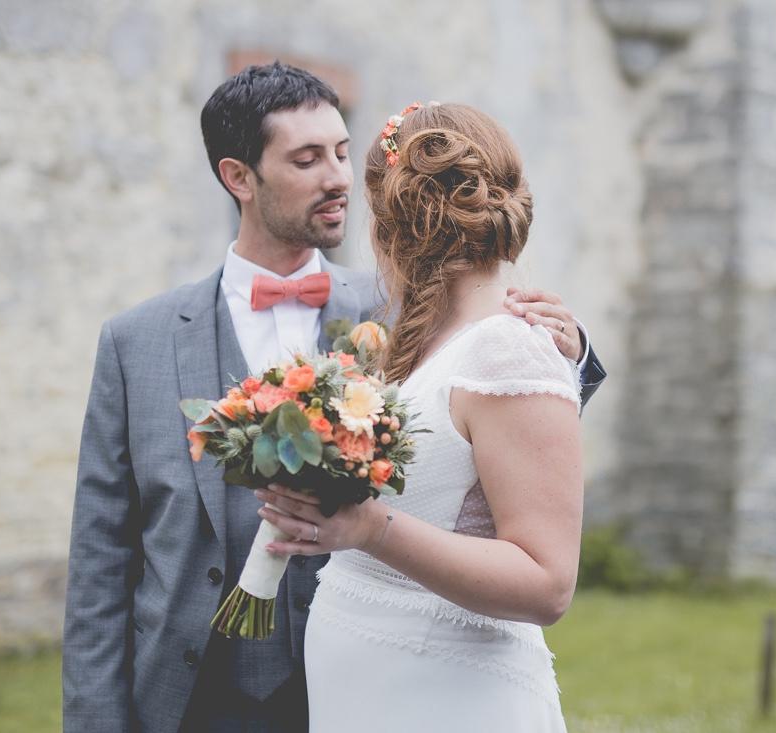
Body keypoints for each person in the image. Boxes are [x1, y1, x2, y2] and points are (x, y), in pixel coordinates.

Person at [63, 64, 605, 732]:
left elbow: (509, 441)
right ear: (240, 177)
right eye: (307, 158)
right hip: (194, 693)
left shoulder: (411, 314)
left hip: (367, 690)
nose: (340, 178)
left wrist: (575, 354)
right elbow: (101, 558)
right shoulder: (134, 342)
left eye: (345, 153)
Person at [254, 101, 588, 731]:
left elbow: (548, 582)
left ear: (392, 222)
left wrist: (371, 529)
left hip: (448, 700)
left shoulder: (506, 345)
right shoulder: (414, 340)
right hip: (369, 690)